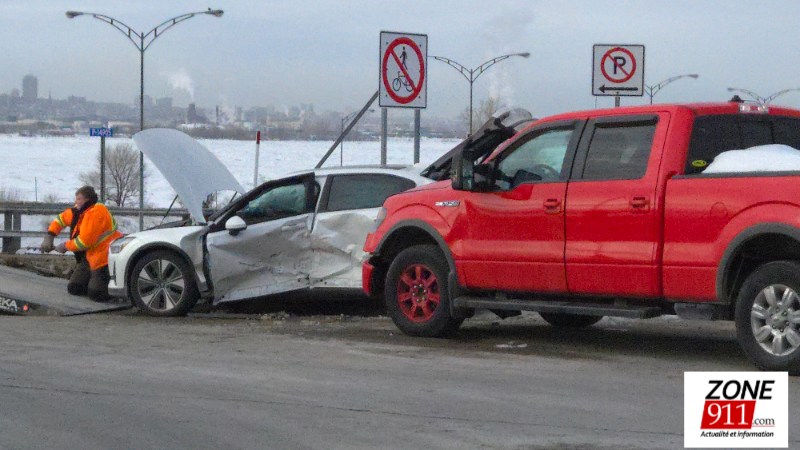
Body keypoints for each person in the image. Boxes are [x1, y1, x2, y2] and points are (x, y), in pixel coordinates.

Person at [40, 186, 123, 302]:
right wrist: (50, 235)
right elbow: (61, 219)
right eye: (76, 199)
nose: (76, 202)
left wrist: (65, 246)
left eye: (79, 199)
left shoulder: (96, 212)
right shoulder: (80, 210)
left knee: (97, 294)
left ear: (87, 200)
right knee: (75, 288)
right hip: (89, 256)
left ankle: (116, 292)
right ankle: (92, 281)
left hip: (103, 257)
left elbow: (84, 242)